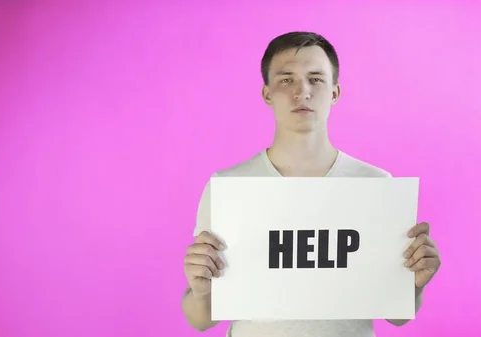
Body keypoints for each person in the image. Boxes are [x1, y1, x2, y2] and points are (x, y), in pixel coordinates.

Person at [181, 31, 441, 337]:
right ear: (267, 94)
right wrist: (201, 291)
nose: (301, 91)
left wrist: (413, 284)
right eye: (286, 79)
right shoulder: (230, 187)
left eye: (316, 79)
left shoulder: (375, 186)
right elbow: (202, 319)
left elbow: (396, 317)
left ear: (334, 92)